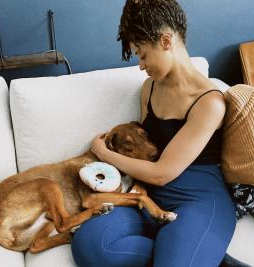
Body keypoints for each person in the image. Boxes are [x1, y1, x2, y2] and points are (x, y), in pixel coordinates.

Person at [71, 0, 236, 266]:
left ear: (166, 41)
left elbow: (161, 173)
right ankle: (195, 251)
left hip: (198, 201)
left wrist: (103, 152)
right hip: (147, 199)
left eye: (143, 54)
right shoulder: (149, 88)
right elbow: (142, 154)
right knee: (89, 245)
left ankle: (190, 246)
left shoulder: (209, 102)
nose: (140, 64)